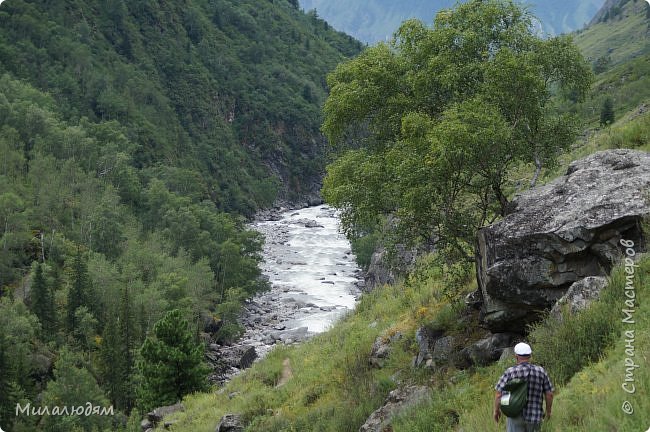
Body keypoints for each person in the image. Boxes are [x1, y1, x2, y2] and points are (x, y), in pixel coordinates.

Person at [493, 342, 554, 432]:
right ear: (530, 356)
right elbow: (549, 394)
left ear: (516, 356)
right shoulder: (541, 371)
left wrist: (496, 411)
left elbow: (499, 394)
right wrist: (548, 412)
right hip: (535, 417)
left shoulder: (510, 372)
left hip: (514, 416)